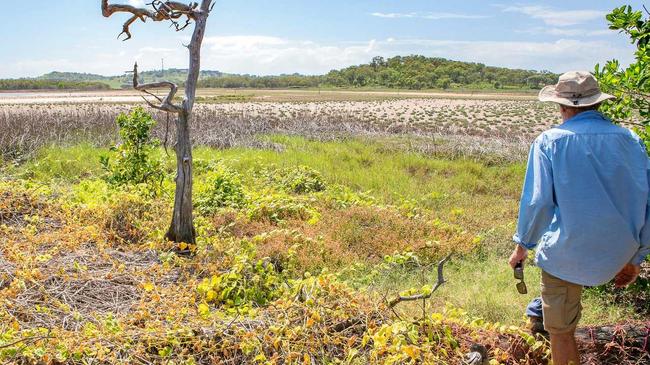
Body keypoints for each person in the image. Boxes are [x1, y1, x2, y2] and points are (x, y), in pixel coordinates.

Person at [508, 71, 650, 365]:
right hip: (620, 251)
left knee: (559, 331)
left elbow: (538, 203)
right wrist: (637, 258)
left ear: (562, 107)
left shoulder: (549, 142)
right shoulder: (632, 140)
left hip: (566, 254)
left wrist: (522, 247)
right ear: (598, 105)